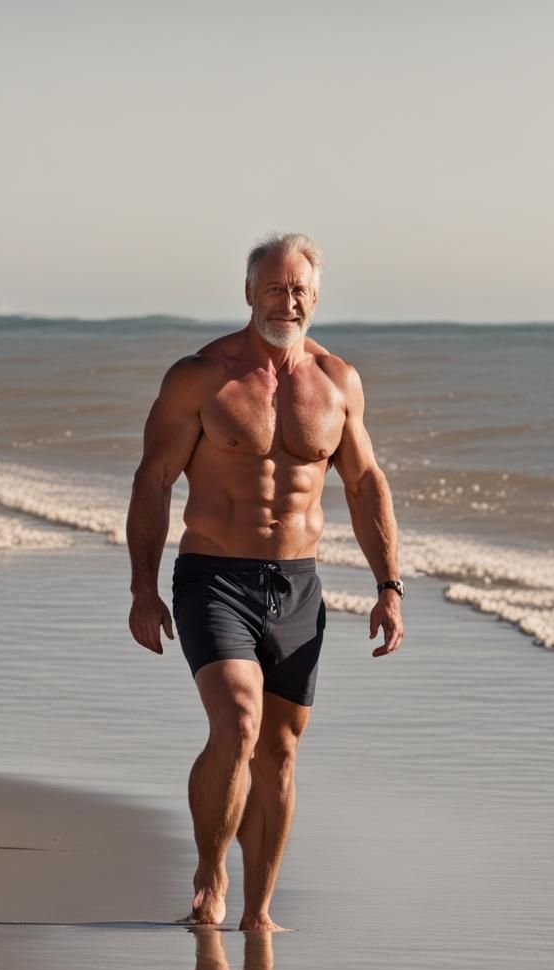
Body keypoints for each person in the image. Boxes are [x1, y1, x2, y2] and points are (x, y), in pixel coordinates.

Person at [126, 232, 404, 932]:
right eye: (274, 288)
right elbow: (153, 480)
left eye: (299, 289)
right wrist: (142, 588)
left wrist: (389, 586)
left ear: (316, 297)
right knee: (238, 722)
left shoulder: (338, 382)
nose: (287, 301)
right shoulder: (201, 377)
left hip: (299, 586)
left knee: (279, 752)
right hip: (213, 578)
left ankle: (258, 913)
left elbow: (365, 483)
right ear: (249, 292)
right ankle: (210, 873)